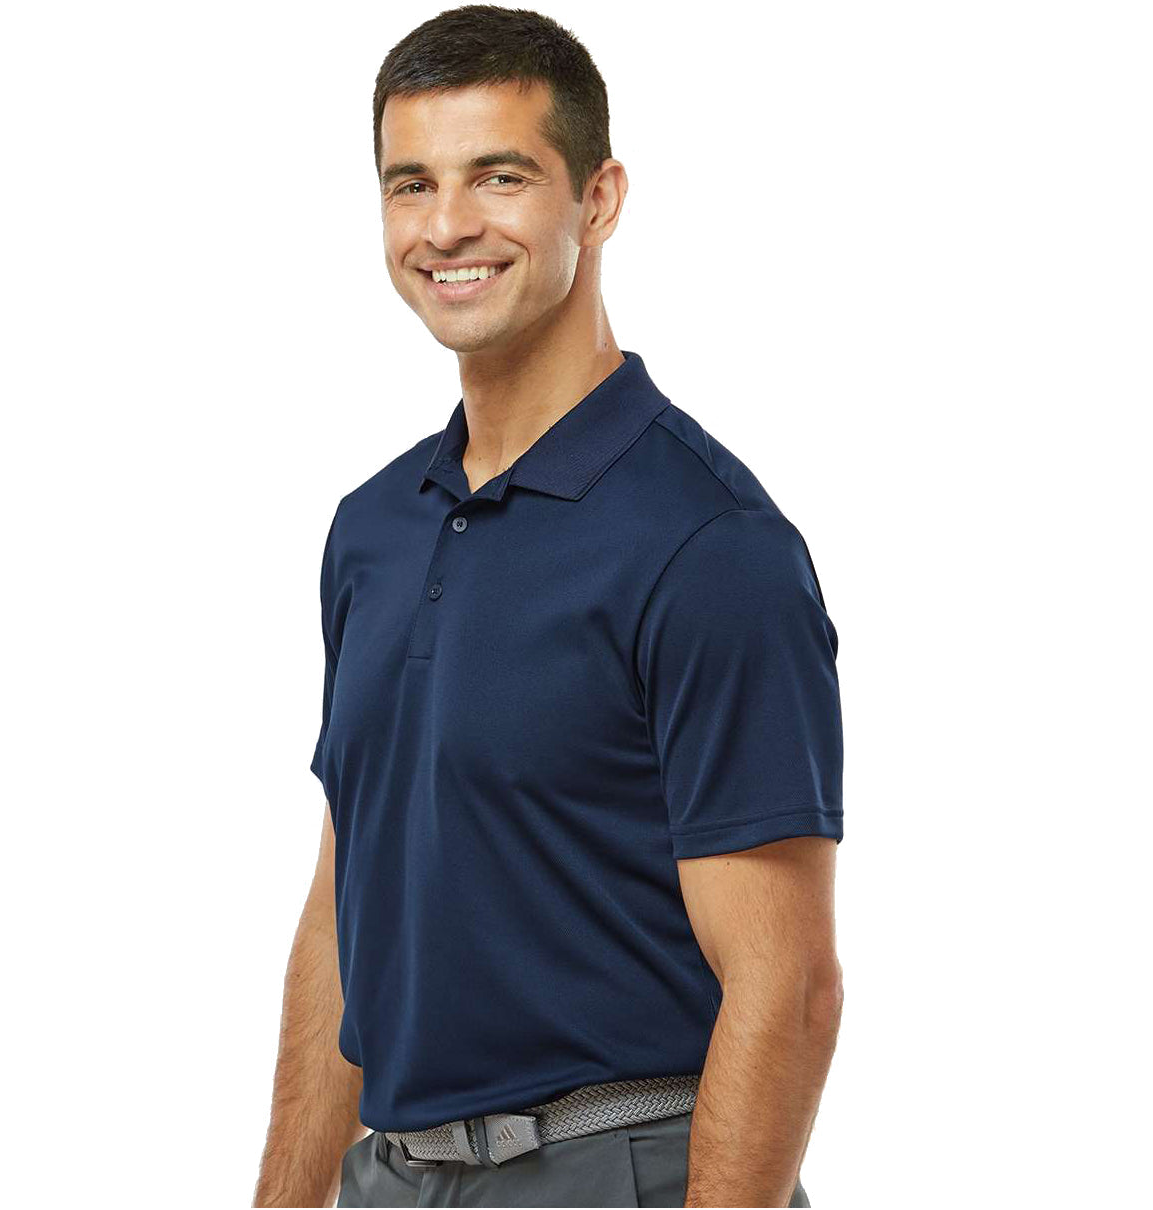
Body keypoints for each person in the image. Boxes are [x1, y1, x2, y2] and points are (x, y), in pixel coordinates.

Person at [253, 6, 844, 1207]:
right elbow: (344, 911)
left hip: (616, 1170)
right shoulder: (372, 530)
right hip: (392, 1177)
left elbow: (787, 989)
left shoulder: (708, 545)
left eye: (499, 176)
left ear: (599, 199)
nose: (446, 226)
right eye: (411, 184)